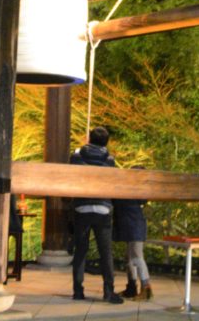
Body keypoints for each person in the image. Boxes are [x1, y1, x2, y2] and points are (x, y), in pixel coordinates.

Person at [69, 126, 124, 304]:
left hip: (82, 208)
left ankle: (78, 291)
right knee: (105, 252)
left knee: (81, 251)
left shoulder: (77, 156)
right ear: (106, 142)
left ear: (89, 138)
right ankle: (108, 291)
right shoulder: (109, 159)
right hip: (102, 208)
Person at [114, 172, 152, 300]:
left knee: (136, 257)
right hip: (129, 226)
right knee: (129, 259)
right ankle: (131, 287)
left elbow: (144, 199)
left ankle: (146, 289)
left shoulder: (136, 191)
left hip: (135, 226)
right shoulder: (125, 190)